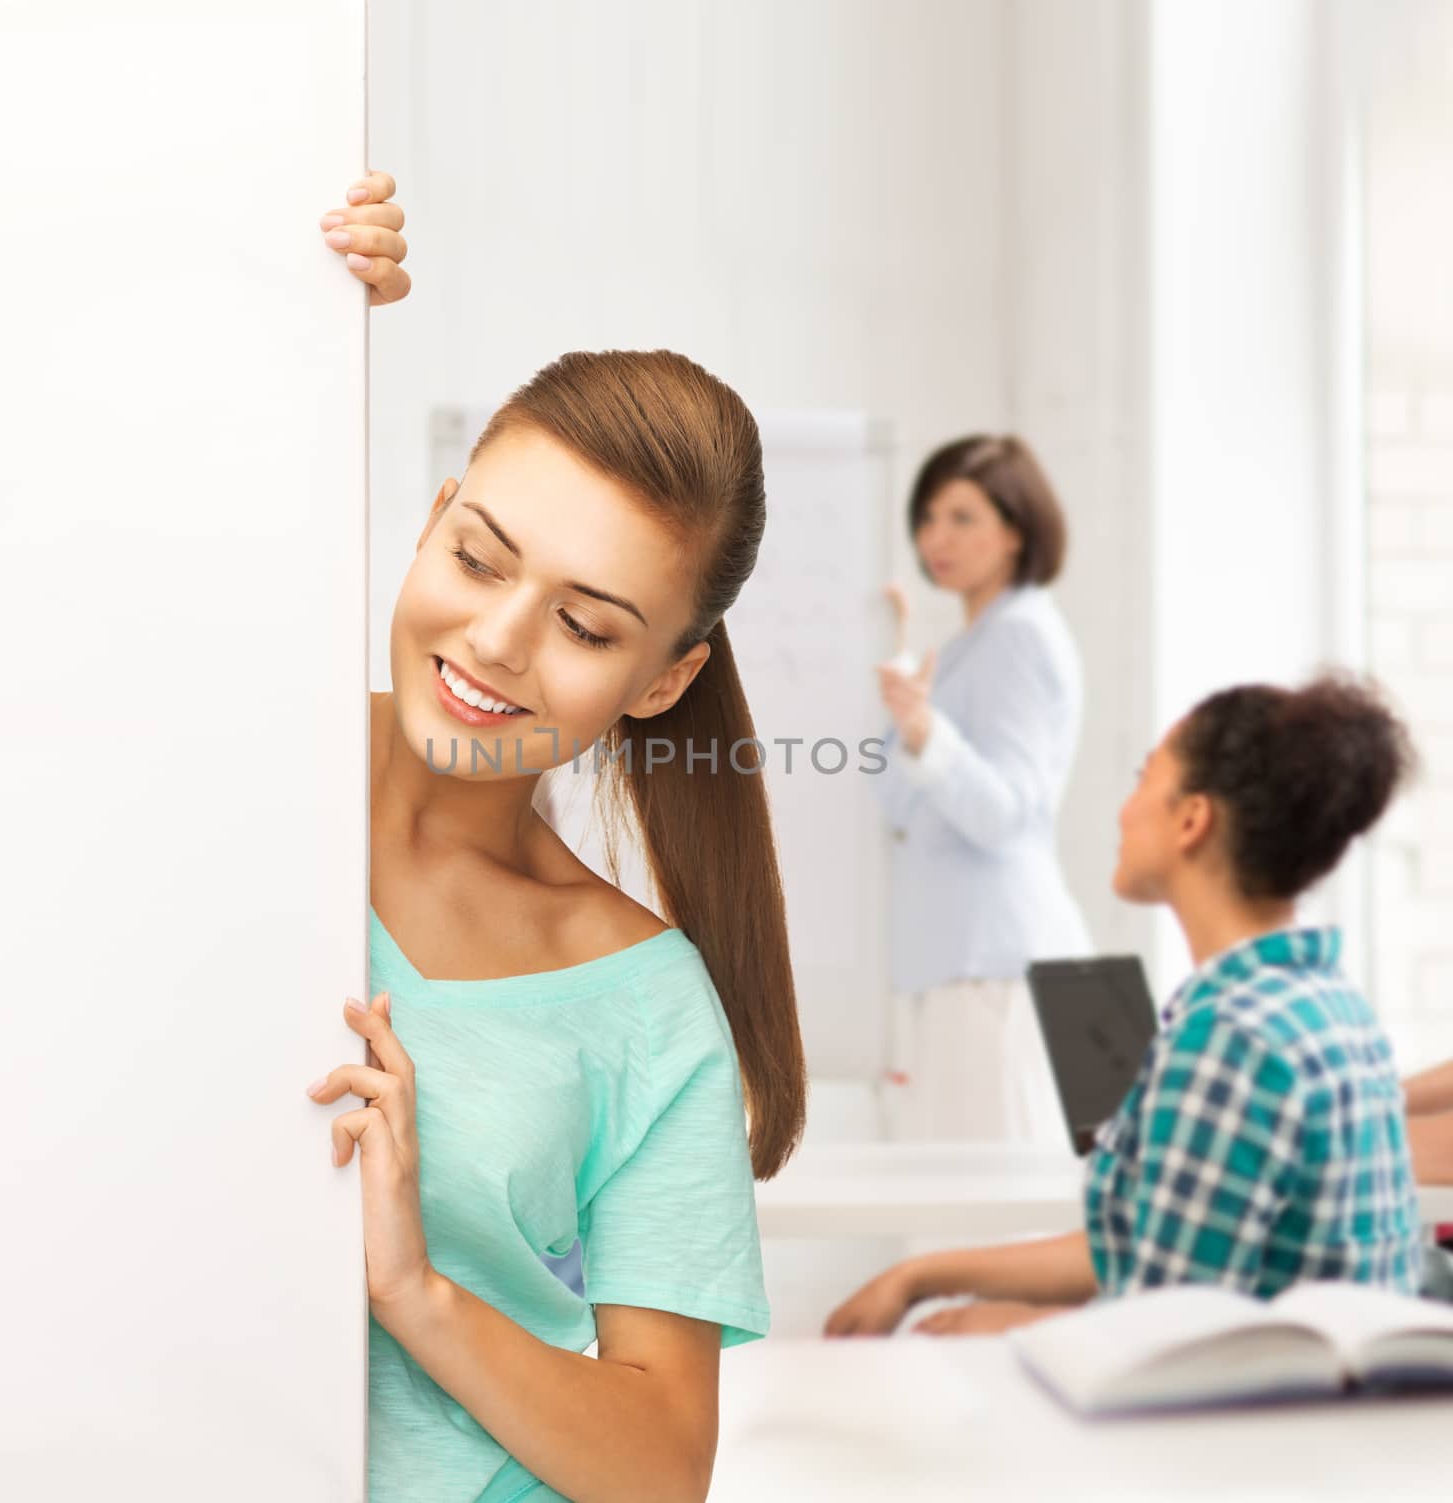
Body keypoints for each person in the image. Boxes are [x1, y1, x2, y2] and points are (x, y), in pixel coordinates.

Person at [305, 173, 808, 1502]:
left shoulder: (645, 1002)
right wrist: (279, 288)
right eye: (478, 557)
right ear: (433, 514)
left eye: (587, 626)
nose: (496, 642)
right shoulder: (239, 768)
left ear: (662, 678)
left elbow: (661, 1462)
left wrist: (415, 1290)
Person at [827, 673, 1423, 1338]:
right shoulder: (1323, 1002)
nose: (1123, 808)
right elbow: (1142, 1245)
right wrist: (920, 1276)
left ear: (1192, 819)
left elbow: (1160, 1336)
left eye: (1144, 778)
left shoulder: (1229, 1037)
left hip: (1236, 1425)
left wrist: (974, 1324)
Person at [870, 435, 1089, 1145]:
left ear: (1016, 528)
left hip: (996, 971)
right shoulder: (970, 644)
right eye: (928, 516)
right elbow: (899, 805)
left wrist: (926, 730)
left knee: (983, 1227)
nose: (938, 537)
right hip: (965, 970)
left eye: (963, 517)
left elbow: (1004, 815)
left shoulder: (1018, 636)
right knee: (962, 1221)